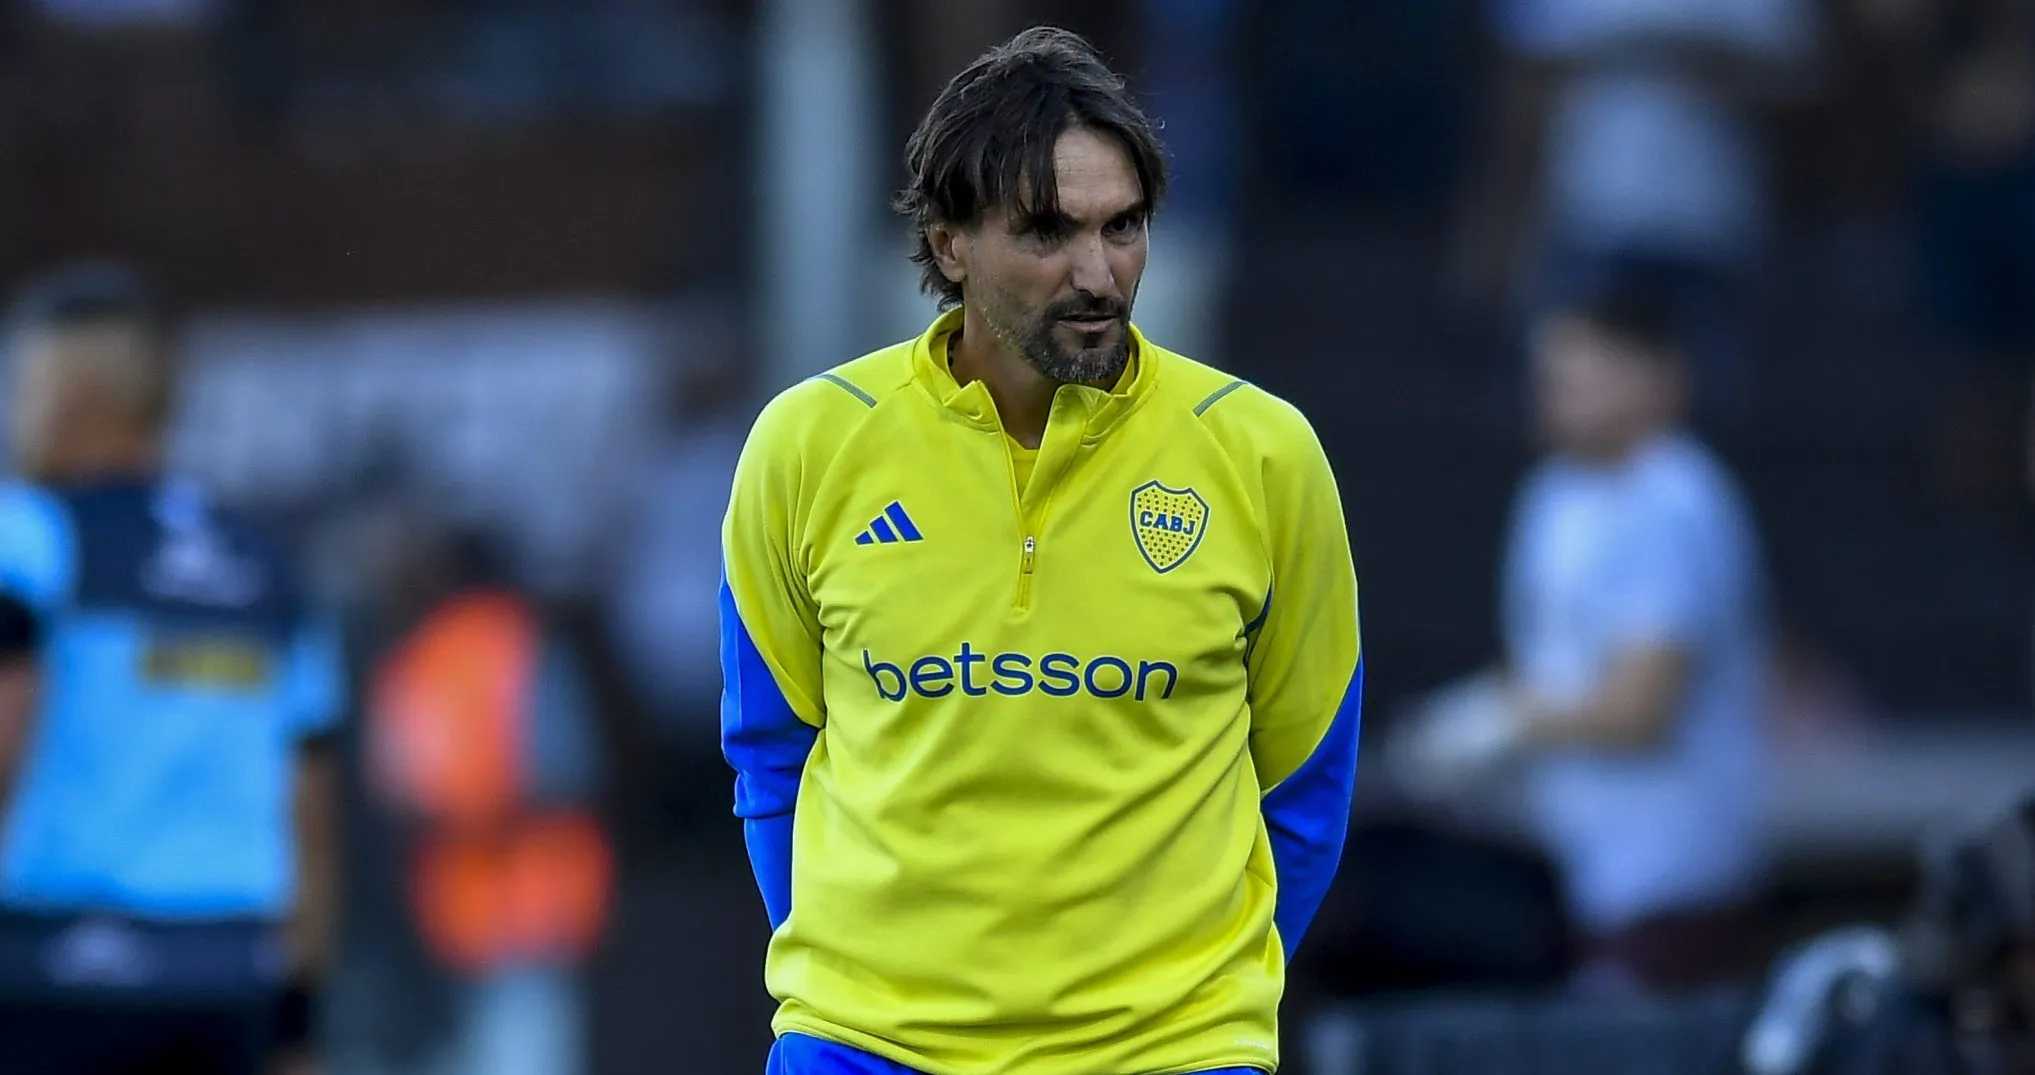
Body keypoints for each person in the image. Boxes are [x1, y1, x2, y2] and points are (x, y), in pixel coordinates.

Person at [719, 26, 1363, 1075]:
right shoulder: (808, 444)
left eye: (1124, 227)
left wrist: (1192, 1001)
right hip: (868, 1050)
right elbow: (770, 752)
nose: (1098, 274)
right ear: (947, 243)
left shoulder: (1263, 454)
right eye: (1047, 233)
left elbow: (1306, 782)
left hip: (1168, 1051)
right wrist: (863, 987)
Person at [0, 263, 343, 1073]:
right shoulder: (270, 568)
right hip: (229, 982)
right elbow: (313, 819)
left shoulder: (30, 534)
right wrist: (297, 1019)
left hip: (56, 977)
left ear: (67, 392)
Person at [1393, 263, 1771, 995]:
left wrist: (1505, 722)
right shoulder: (1553, 495)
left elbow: (1641, 709)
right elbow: (1542, 665)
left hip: (1669, 874)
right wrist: (1468, 720)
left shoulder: (1675, 499)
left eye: (1583, 374)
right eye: (1550, 374)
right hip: (1576, 862)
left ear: (1655, 381)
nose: (1556, 394)